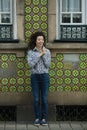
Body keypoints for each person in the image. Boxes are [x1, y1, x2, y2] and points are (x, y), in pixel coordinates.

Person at [27, 31, 51, 126]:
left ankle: (44, 118)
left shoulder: (47, 51)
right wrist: (39, 55)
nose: (41, 41)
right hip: (35, 77)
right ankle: (37, 118)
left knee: (44, 99)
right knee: (36, 99)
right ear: (36, 41)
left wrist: (44, 55)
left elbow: (48, 65)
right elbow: (31, 65)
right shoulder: (31, 52)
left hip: (45, 76)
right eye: (39, 39)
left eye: (42, 39)